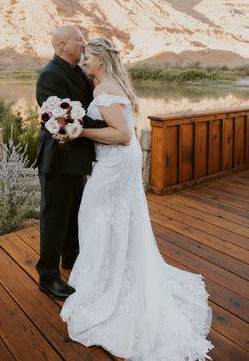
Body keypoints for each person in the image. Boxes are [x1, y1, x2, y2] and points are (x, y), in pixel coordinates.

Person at [60, 37, 213, 361]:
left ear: (101, 59)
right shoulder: (109, 84)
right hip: (119, 163)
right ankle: (112, 269)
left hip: (115, 163)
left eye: (88, 58)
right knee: (115, 218)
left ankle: (106, 284)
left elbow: (123, 134)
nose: (84, 62)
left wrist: (80, 130)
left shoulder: (103, 90)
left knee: (95, 215)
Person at [34, 24, 110, 301]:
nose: (83, 43)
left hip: (78, 157)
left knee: (74, 211)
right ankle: (48, 276)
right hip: (57, 158)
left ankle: (71, 257)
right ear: (61, 45)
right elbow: (64, 120)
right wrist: (108, 126)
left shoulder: (81, 71)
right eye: (78, 40)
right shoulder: (49, 76)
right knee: (54, 216)